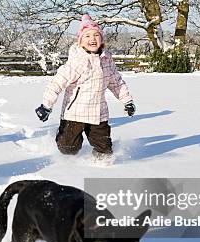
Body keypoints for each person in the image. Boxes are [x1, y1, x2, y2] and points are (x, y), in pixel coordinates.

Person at [35, 14, 135, 159]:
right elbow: (57, 83)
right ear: (80, 41)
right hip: (74, 113)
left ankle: (102, 166)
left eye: (96, 35)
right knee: (68, 149)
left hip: (98, 113)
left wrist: (127, 101)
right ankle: (63, 137)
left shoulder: (106, 61)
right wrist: (46, 105)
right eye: (87, 36)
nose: (92, 39)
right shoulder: (76, 63)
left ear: (101, 39)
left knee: (105, 150)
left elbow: (117, 83)